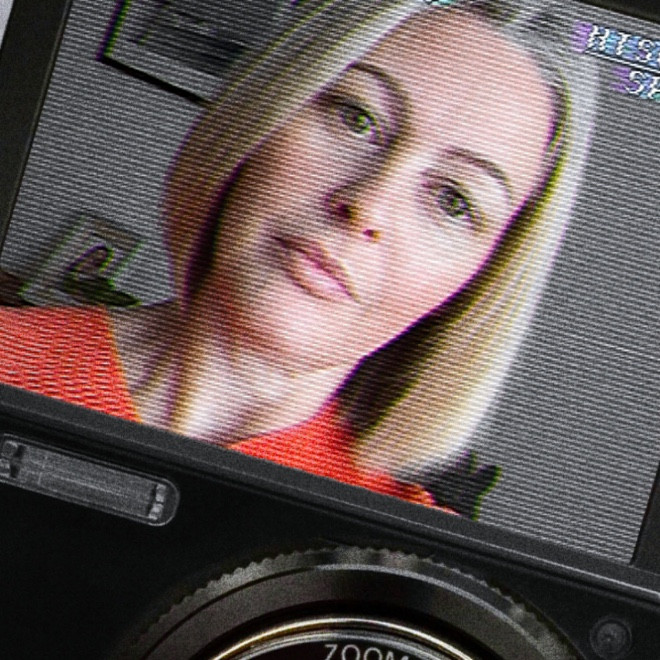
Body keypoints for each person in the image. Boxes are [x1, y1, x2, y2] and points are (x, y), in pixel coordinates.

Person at [0, 0, 598, 514]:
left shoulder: (406, 563)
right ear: (260, 117)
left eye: (453, 200)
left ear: (478, 279)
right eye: (357, 118)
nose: (367, 205)